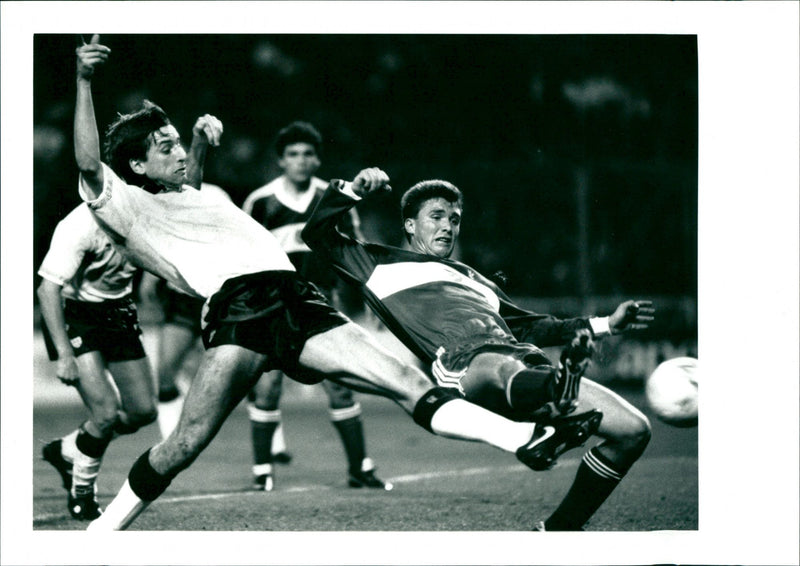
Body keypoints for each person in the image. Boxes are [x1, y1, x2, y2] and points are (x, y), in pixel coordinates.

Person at [73, 36, 578, 532]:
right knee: (183, 445)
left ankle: (524, 437)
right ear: (137, 165)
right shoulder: (128, 206)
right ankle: (102, 536)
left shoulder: (187, 193)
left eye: (178, 140)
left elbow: (191, 194)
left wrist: (199, 144)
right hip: (242, 310)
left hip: (296, 296)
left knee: (408, 382)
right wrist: (85, 79)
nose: (178, 150)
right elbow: (89, 162)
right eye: (167, 147)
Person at [302, 176, 656, 531]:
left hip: (527, 364)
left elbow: (532, 327)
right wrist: (353, 191)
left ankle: (560, 528)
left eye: (454, 219)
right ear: (410, 225)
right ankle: (557, 393)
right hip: (464, 366)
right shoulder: (375, 263)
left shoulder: (479, 280)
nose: (447, 226)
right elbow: (317, 235)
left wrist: (608, 323)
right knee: (498, 364)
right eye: (436, 217)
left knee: (633, 430)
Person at [242, 121, 388, 491]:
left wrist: (374, 299)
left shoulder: (334, 197)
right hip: (275, 305)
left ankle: (360, 469)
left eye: (308, 154)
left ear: (318, 159)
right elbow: (244, 257)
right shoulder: (260, 202)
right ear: (280, 160)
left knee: (340, 384)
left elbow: (357, 252)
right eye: (293, 154)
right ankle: (262, 474)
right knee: (268, 387)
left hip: (324, 302)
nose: (301, 161)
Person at [37, 203, 157, 520]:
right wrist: (64, 354)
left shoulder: (150, 210)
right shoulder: (80, 224)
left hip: (118, 312)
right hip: (77, 316)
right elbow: (47, 289)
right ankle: (83, 493)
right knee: (104, 413)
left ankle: (67, 449)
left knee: (143, 411)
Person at [137, 183, 238, 440]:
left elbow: (234, 237)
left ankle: (272, 441)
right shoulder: (160, 197)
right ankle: (172, 439)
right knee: (165, 375)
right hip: (181, 298)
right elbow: (157, 240)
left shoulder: (217, 194)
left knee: (230, 378)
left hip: (216, 297)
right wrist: (151, 276)